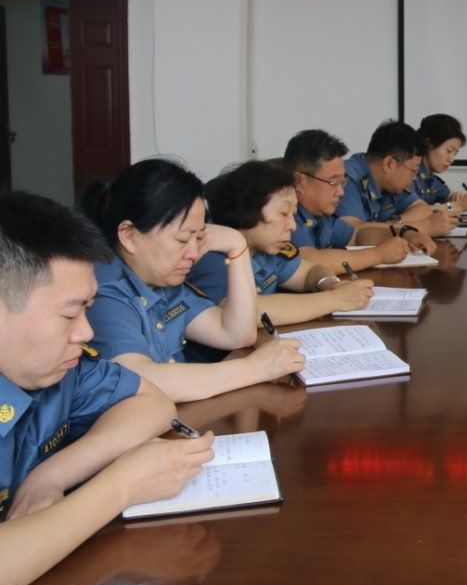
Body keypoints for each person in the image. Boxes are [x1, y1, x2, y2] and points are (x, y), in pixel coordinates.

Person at [0, 190, 214, 585]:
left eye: (88, 309)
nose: (86, 332)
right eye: (69, 314)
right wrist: (121, 485)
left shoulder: (61, 369)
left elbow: (152, 403)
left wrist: (52, 475)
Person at [82, 158, 305, 403]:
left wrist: (237, 246)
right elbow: (140, 378)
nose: (194, 253)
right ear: (129, 236)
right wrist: (255, 368)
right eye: (182, 239)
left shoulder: (163, 279)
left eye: (199, 238)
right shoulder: (101, 290)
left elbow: (237, 334)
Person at [188, 161, 375, 326]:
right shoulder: (210, 257)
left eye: (293, 215)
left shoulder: (268, 250)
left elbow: (308, 272)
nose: (292, 226)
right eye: (284, 213)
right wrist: (336, 299)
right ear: (246, 210)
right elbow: (247, 313)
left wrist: (332, 285)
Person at [283, 128, 436, 272]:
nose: (341, 192)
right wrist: (378, 255)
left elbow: (356, 236)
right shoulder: (287, 214)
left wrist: (404, 234)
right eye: (333, 181)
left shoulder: (321, 216)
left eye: (342, 182)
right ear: (299, 182)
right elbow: (308, 260)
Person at [337, 120, 457, 237]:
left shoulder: (391, 183)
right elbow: (354, 233)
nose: (414, 177)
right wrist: (424, 227)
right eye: (413, 171)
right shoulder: (347, 178)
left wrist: (395, 223)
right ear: (389, 164)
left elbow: (423, 209)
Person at [414, 114, 467, 213]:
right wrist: (458, 206)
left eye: (455, 154)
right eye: (449, 151)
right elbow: (418, 213)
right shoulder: (410, 175)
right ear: (429, 143)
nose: (451, 159)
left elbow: (447, 197)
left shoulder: (430, 178)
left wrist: (458, 198)